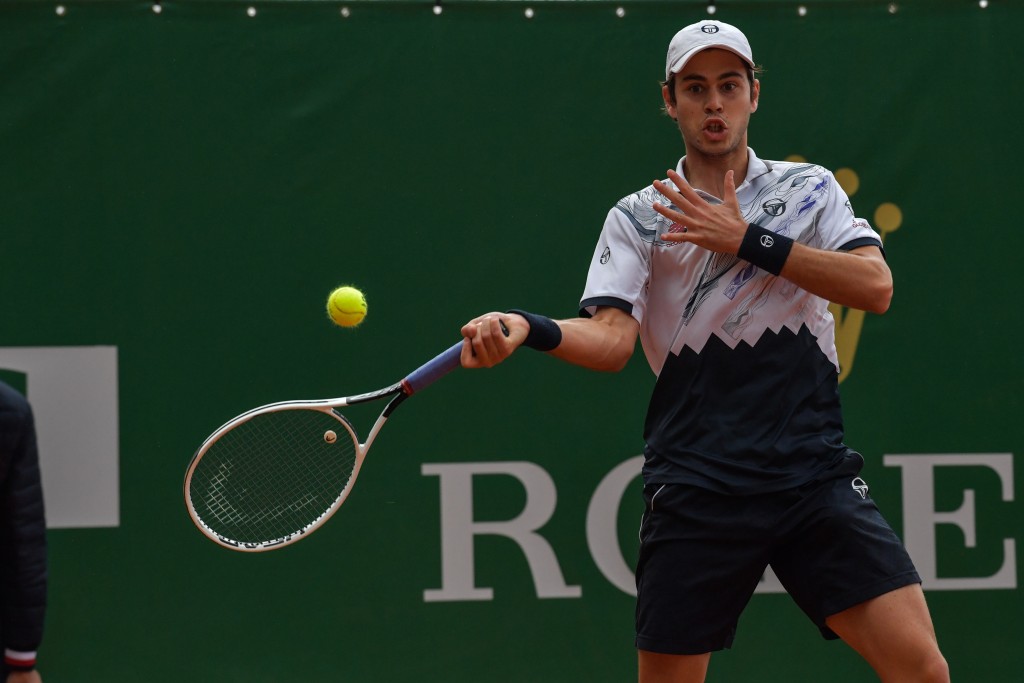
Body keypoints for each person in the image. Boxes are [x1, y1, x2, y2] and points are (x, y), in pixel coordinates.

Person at [459, 19, 949, 683]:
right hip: (697, 485)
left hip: (810, 473)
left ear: (754, 94)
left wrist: (749, 239)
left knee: (922, 668)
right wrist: (527, 325)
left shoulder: (811, 191)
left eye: (727, 85)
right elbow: (610, 341)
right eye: (696, 88)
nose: (713, 102)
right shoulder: (638, 217)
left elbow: (876, 286)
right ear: (671, 99)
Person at [0, 380, 47, 683]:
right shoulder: (10, 409)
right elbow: (22, 540)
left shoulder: (10, 412)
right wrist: (21, 658)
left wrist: (22, 658)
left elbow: (22, 539)